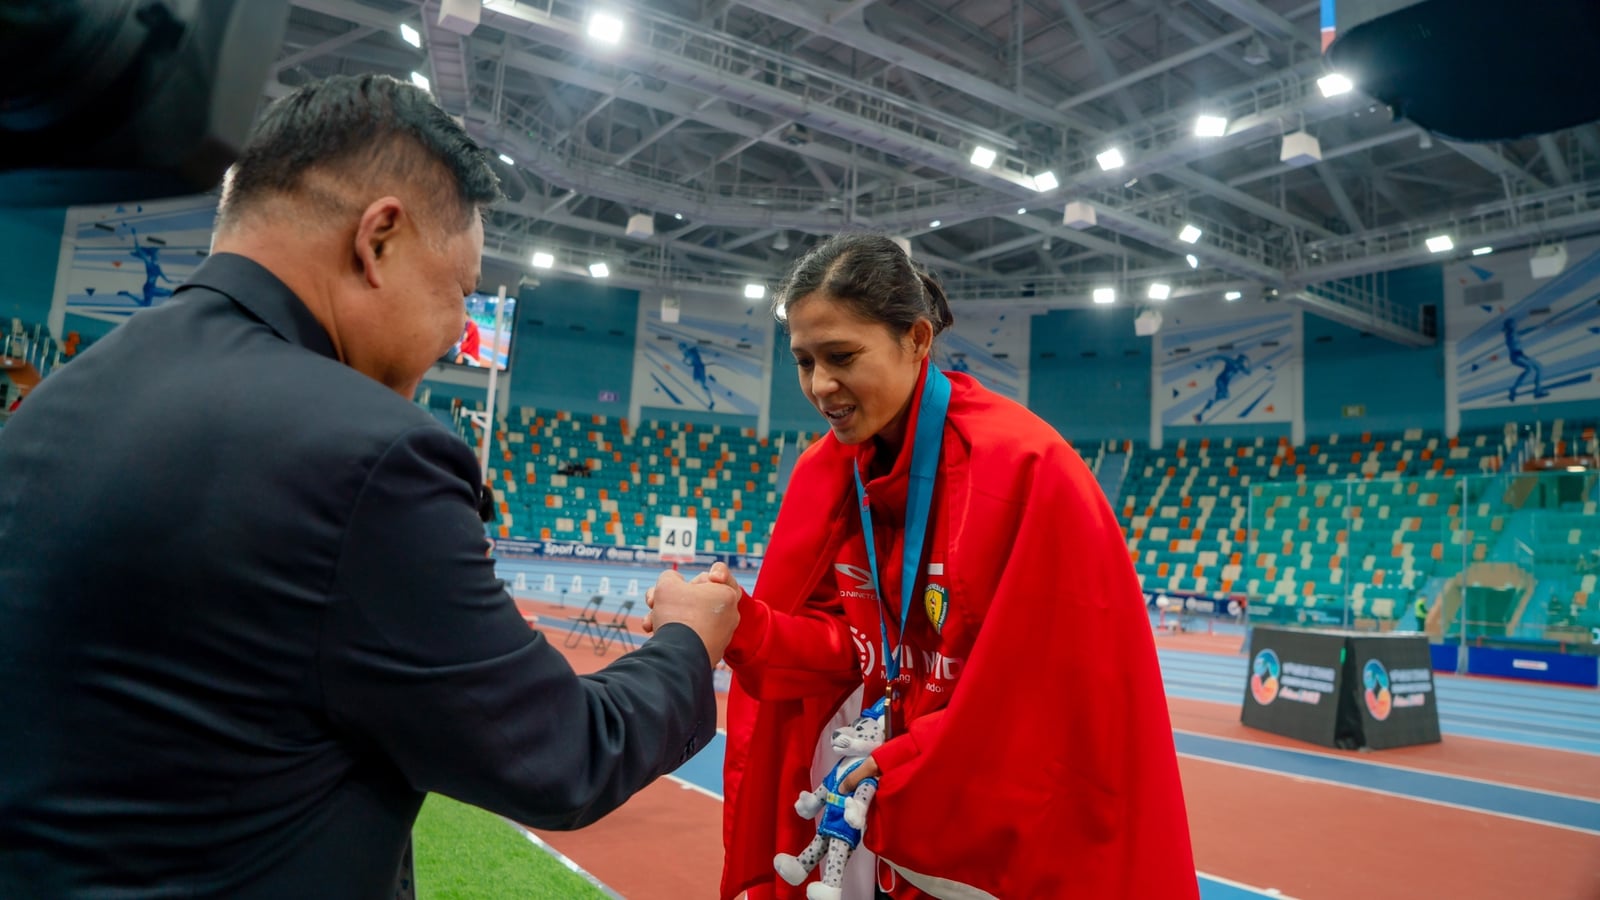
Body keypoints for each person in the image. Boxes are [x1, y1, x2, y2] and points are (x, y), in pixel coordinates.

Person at [0, 73, 739, 899]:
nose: (457, 334)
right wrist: (685, 641)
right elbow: (560, 757)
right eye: (459, 291)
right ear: (378, 238)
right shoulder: (370, 455)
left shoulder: (52, 403)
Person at [654, 234, 1196, 898]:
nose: (821, 385)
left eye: (841, 356)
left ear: (915, 338)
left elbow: (1047, 706)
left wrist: (905, 759)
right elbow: (845, 651)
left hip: (982, 834)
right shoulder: (824, 474)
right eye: (803, 361)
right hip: (873, 815)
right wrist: (743, 624)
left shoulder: (1023, 470)